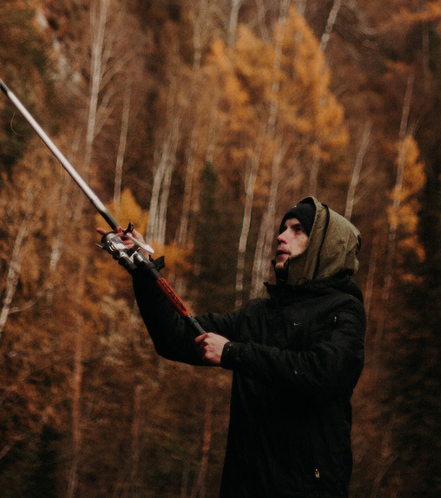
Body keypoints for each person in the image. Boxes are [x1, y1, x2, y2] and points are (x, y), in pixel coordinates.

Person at [117, 196, 366, 497]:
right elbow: (174, 338)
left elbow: (324, 373)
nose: (281, 236)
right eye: (283, 227)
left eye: (297, 229)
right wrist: (144, 272)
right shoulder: (257, 315)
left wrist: (234, 353)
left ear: (324, 247)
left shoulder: (343, 310)